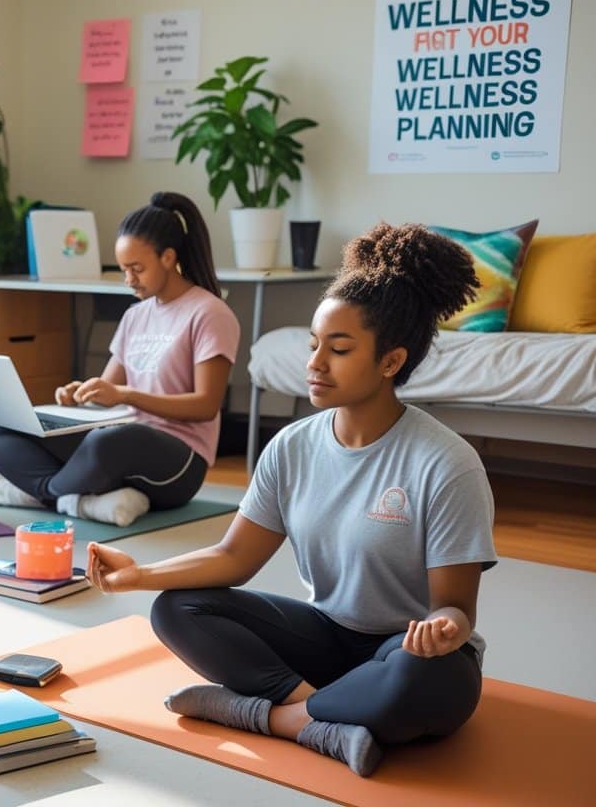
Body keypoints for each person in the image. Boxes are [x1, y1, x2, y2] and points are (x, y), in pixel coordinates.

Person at [87, 222, 495, 777]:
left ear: (391, 362)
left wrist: (443, 628)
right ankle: (322, 718)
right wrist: (140, 575)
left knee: (426, 683)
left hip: (405, 653)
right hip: (325, 640)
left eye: (340, 349)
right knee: (177, 607)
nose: (316, 363)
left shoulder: (445, 463)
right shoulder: (292, 446)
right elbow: (234, 560)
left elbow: (457, 609)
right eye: (313, 345)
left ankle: (266, 716)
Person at [0, 192, 240, 527]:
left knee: (110, 440)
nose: (129, 280)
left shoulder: (210, 313)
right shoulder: (135, 315)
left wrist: (126, 396)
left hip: (178, 461)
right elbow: (109, 391)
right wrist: (80, 395)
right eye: (123, 270)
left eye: (137, 269)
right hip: (119, 437)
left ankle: (41, 494)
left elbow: (205, 405)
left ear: (168, 257)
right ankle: (69, 498)